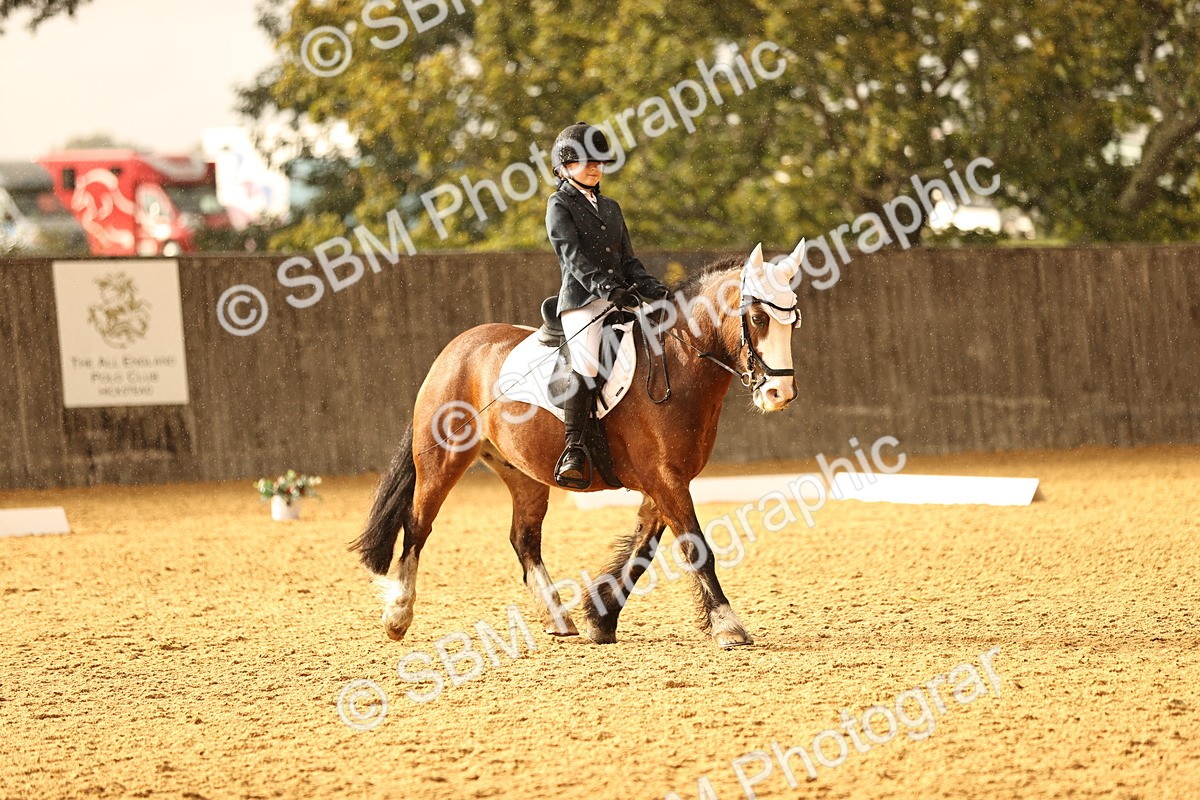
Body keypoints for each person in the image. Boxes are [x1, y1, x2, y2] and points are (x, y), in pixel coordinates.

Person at [545, 122, 668, 488]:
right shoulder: (559, 204)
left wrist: (653, 288)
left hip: (617, 297)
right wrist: (609, 289)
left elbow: (628, 260)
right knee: (584, 363)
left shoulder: (611, 207)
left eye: (599, 162)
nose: (595, 168)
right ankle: (574, 449)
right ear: (564, 167)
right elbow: (572, 257)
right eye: (585, 162)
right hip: (583, 301)